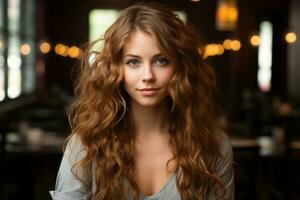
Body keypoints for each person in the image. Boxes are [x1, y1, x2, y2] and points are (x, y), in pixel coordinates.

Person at [50, 2, 234, 200]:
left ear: (181, 67)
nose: (148, 75)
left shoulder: (213, 145)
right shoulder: (88, 143)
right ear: (116, 69)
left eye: (161, 60)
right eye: (133, 62)